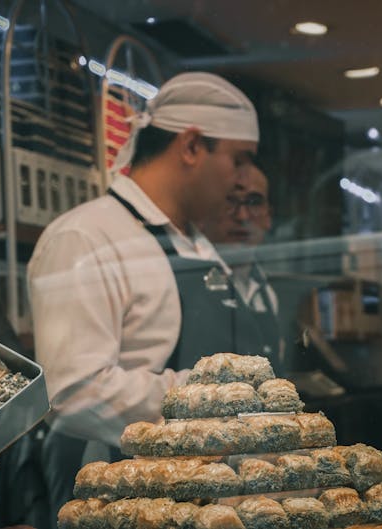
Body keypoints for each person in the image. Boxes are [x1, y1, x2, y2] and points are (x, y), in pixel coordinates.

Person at [27, 72, 269, 521]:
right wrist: (213, 402)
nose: (243, 180)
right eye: (239, 160)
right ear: (192, 146)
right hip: (126, 502)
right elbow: (72, 392)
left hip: (208, 501)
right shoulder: (88, 237)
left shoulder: (196, 245)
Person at [199, 163, 282, 362]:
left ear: (268, 216)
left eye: (254, 202)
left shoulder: (267, 293)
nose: (242, 216)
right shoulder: (194, 285)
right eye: (230, 201)